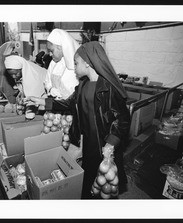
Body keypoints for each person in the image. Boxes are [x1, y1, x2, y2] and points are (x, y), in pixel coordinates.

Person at [25, 41, 131, 199]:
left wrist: (111, 143)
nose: (74, 67)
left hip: (104, 144)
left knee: (105, 184)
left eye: (76, 63)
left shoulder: (109, 89)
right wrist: (41, 102)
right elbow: (67, 104)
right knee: (89, 179)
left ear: (88, 63)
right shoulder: (82, 86)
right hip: (88, 142)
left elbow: (122, 119)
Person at [44, 28, 79, 99]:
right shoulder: (53, 62)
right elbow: (47, 81)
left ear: (59, 47)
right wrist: (50, 89)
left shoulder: (76, 65)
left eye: (52, 51)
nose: (50, 54)